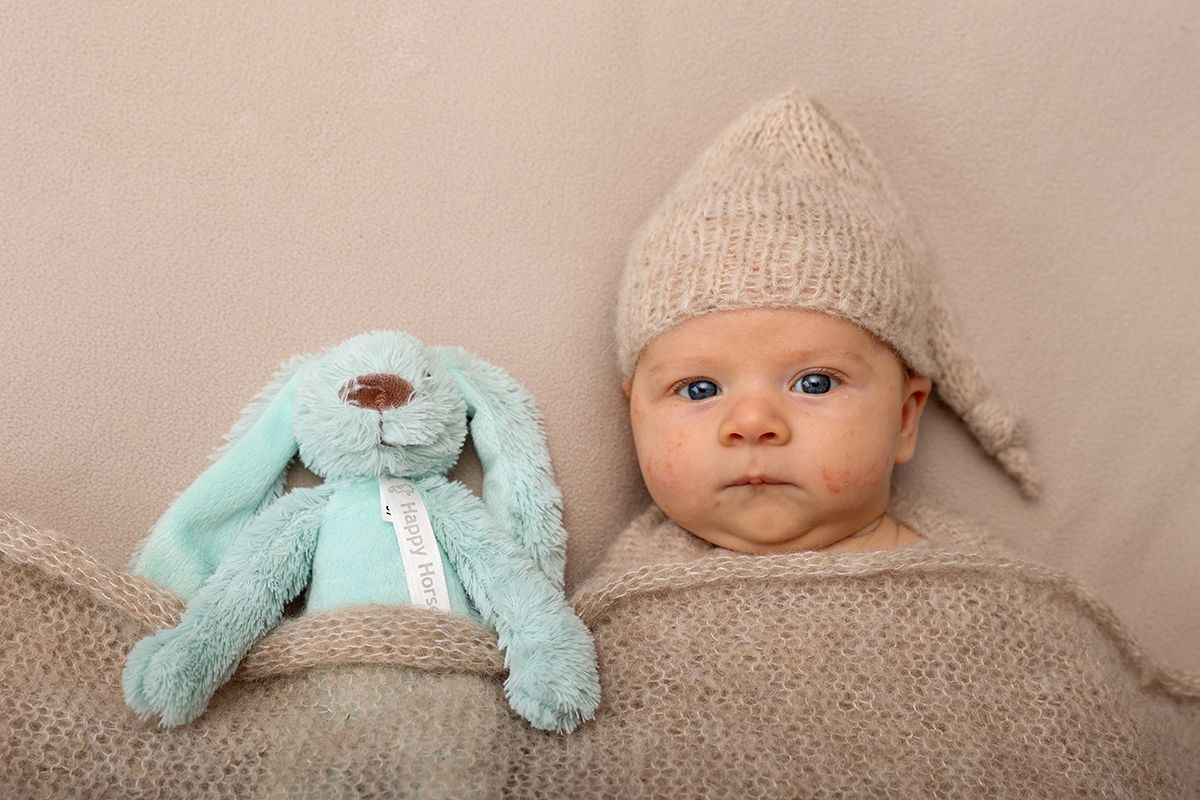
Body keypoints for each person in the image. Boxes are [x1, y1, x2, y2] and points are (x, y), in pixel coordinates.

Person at [609, 89, 1039, 558]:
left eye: (814, 383)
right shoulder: (604, 613)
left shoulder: (979, 589)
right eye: (699, 389)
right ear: (636, 416)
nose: (753, 423)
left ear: (904, 418)